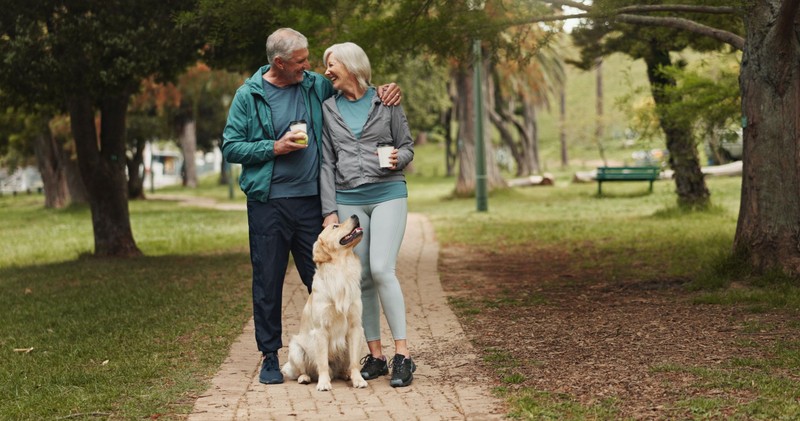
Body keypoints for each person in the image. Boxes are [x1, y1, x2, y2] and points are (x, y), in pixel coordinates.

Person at [221, 28, 401, 385]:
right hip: (268, 202)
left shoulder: (312, 84)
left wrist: (385, 89)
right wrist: (274, 147)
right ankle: (270, 355)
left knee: (323, 282)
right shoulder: (248, 96)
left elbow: (353, 86)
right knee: (268, 279)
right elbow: (231, 146)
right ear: (279, 63)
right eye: (301, 61)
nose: (310, 65)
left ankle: (339, 357)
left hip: (311, 205)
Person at [319, 42, 416, 387]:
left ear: (351, 65)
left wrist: (398, 159)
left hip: (388, 192)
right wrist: (329, 211)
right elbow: (327, 163)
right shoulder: (328, 108)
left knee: (381, 269)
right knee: (362, 279)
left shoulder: (385, 100)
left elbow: (407, 145)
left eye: (332, 64)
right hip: (348, 198)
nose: (326, 71)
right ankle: (376, 357)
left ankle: (402, 355)